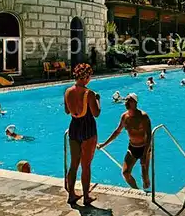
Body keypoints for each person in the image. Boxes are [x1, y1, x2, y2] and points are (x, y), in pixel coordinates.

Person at [98, 93, 152, 190]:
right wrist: (104, 144)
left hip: (144, 148)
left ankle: (147, 192)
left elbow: (149, 136)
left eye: (128, 100)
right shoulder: (124, 117)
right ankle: (137, 191)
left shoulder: (143, 117)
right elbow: (117, 132)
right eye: (125, 100)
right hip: (132, 148)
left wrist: (144, 154)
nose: (125, 103)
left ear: (135, 103)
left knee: (145, 179)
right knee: (126, 173)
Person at [64, 63, 101, 205]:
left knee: (74, 164)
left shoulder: (67, 91)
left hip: (74, 127)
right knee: (86, 165)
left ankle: (71, 195)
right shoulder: (89, 93)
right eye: (89, 76)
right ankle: (86, 197)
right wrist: (98, 100)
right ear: (85, 76)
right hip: (87, 129)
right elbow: (96, 113)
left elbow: (67, 111)